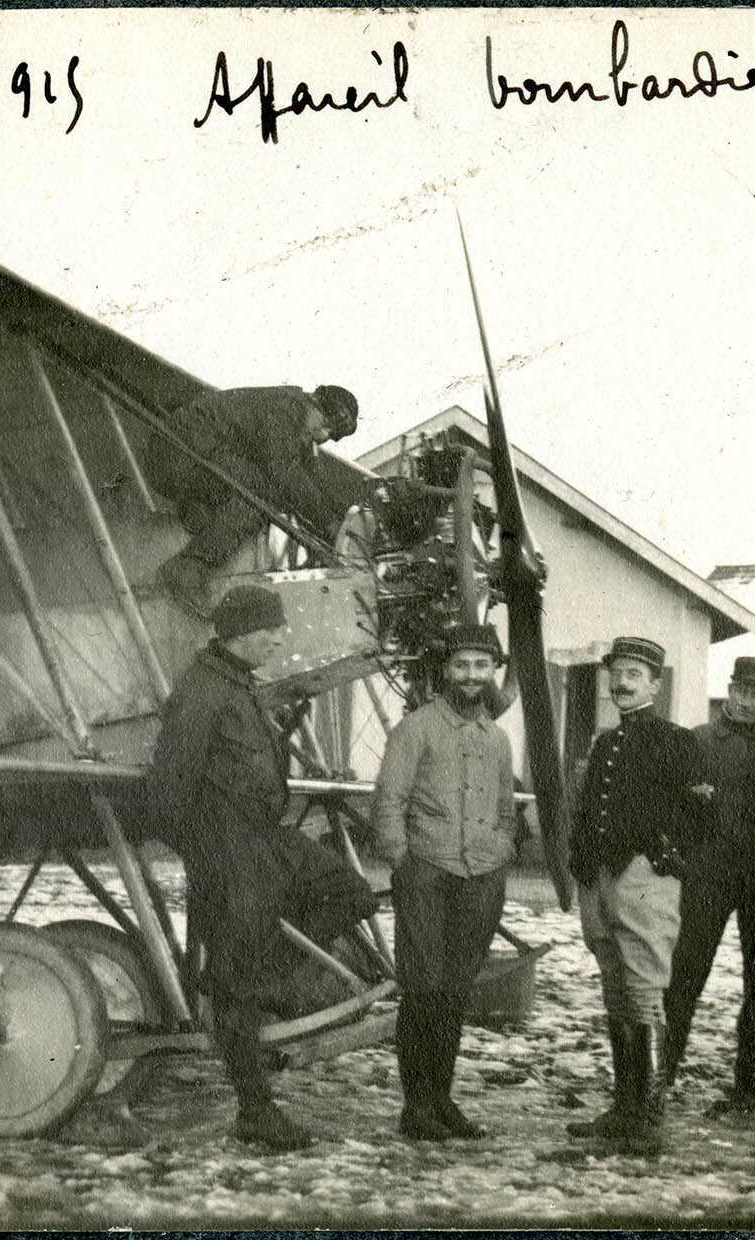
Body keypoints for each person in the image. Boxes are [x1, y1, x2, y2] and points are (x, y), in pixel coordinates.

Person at [148, 583, 379, 1151]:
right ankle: (256, 1109)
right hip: (228, 849)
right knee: (238, 982)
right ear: (239, 632)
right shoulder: (202, 692)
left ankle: (271, 979)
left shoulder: (238, 684)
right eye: (270, 628)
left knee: (351, 894)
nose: (280, 638)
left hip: (265, 840)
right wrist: (209, 853)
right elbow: (167, 793)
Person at [372, 624, 518, 1142]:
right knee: (423, 990)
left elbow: (506, 808)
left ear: (493, 671)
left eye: (482, 666)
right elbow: (389, 800)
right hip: (427, 874)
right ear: (446, 670)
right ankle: (416, 1107)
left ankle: (442, 1099)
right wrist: (403, 862)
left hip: (481, 878)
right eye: (462, 665)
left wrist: (501, 850)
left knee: (455, 992)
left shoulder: (498, 740)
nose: (472, 676)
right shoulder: (416, 729)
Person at [566, 636, 706, 1155]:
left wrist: (661, 854)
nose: (622, 683)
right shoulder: (606, 743)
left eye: (634, 674)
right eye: (617, 673)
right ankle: (624, 1107)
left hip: (644, 880)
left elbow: (702, 815)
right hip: (599, 878)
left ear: (654, 682)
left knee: (645, 989)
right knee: (615, 986)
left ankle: (648, 1116)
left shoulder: (676, 740)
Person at [662, 655, 755, 1113]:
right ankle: (662, 1071)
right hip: (705, 875)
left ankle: (751, 1083)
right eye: (743, 692)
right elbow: (670, 805)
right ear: (728, 691)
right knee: (683, 973)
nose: (749, 703)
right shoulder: (699, 740)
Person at [150, 384, 360, 610]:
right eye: (326, 426)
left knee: (264, 487)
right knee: (263, 495)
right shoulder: (286, 408)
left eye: (331, 435)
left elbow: (313, 480)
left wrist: (341, 516)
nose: (323, 437)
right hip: (180, 454)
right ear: (314, 404)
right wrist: (328, 523)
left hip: (192, 454)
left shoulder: (297, 419)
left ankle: (198, 511)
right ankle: (187, 568)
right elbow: (285, 472)